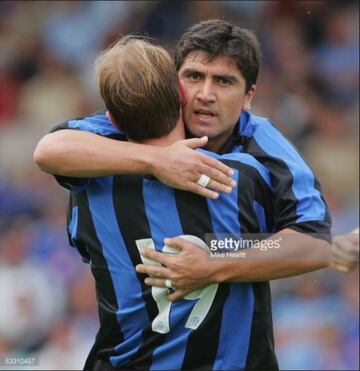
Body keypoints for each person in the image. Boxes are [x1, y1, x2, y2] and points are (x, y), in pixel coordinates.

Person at [36, 35, 290, 370]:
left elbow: (49, 151)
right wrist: (219, 253)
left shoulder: (88, 187)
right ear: (181, 94)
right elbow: (301, 246)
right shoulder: (241, 177)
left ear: (109, 119)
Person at [34, 19, 332, 300]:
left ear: (248, 96)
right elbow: (50, 150)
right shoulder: (137, 121)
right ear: (175, 85)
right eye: (194, 76)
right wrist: (157, 160)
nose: (206, 94)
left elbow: (316, 245)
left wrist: (214, 264)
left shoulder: (263, 146)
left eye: (224, 82)